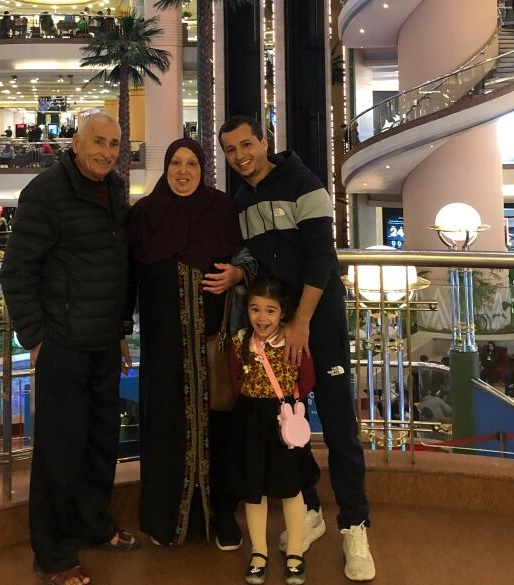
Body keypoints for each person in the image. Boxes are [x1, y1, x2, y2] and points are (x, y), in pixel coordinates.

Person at [219, 116, 375, 581]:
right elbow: (261, 262)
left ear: (265, 142)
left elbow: (322, 256)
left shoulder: (304, 183)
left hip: (317, 321)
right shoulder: (242, 200)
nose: (240, 155)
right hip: (279, 330)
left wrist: (303, 321)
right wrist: (239, 276)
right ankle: (307, 506)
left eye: (247, 144)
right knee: (285, 420)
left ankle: (354, 524)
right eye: (230, 149)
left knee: (339, 421)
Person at [1, 112, 135, 585]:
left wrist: (120, 328)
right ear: (76, 142)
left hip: (102, 344)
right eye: (99, 141)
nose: (107, 151)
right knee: (59, 454)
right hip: (62, 346)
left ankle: (92, 524)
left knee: (100, 444)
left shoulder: (116, 189)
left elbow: (118, 265)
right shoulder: (45, 192)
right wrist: (35, 338)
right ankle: (54, 553)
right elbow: (17, 271)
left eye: (115, 144)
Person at [123, 138, 250, 548]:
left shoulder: (220, 208)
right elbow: (126, 277)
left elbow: (249, 258)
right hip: (163, 351)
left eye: (191, 163)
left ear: (202, 168)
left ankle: (222, 517)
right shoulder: (144, 215)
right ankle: (166, 519)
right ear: (165, 167)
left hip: (213, 346)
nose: (183, 171)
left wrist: (238, 275)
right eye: (175, 163)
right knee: (166, 428)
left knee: (223, 427)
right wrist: (121, 328)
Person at [228, 279, 317, 585]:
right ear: (247, 311)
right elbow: (236, 379)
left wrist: (289, 405)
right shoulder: (240, 341)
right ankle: (258, 552)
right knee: (255, 490)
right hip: (250, 421)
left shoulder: (292, 340)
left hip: (284, 423)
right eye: (255, 309)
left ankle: (295, 551)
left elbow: (307, 379)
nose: (261, 318)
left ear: (283, 313)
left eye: (270, 310)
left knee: (291, 489)